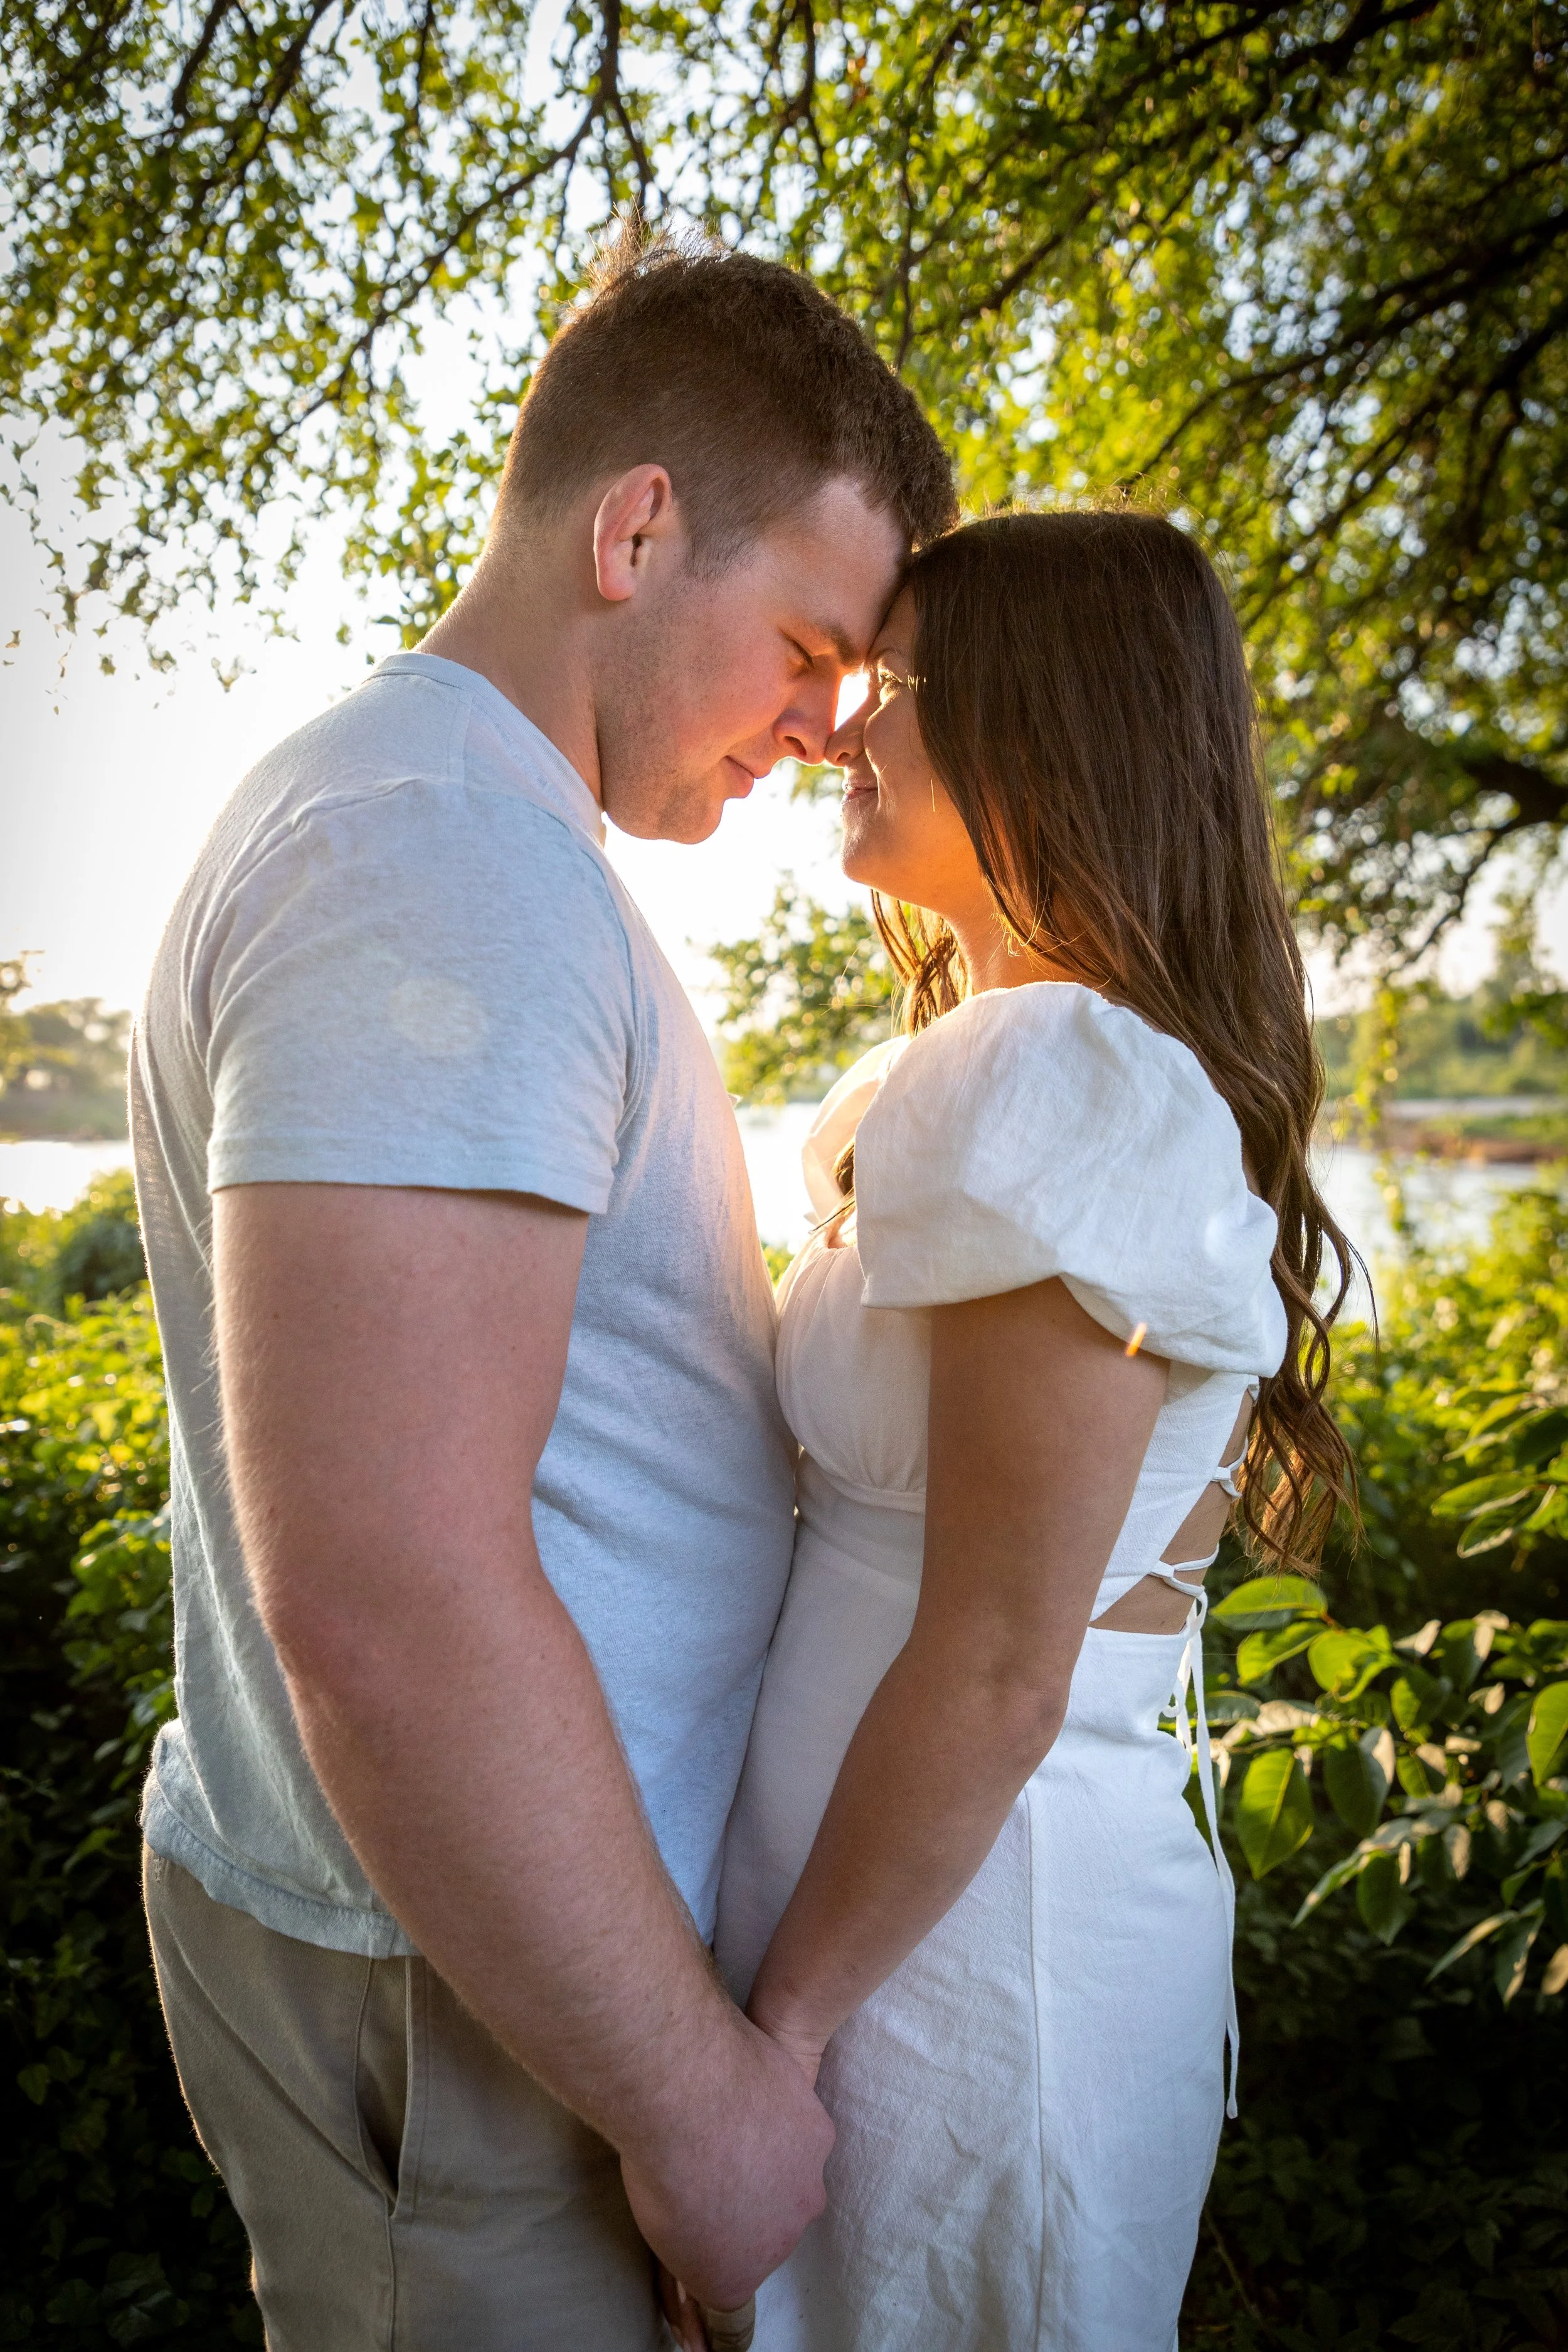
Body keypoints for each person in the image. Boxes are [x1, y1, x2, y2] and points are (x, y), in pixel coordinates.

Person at [131, 224, 956, 2348]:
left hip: (490, 1984)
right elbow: (389, 1595)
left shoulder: (454, 832)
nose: (816, 727)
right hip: (494, 2023)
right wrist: (692, 2100)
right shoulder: (442, 859)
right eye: (803, 645)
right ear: (639, 525)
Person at [714, 509, 1358, 2349]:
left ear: (1043, 721)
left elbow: (1000, 1660)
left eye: (892, 682)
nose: (838, 725)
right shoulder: (1023, 1062)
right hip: (905, 1919)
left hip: (962, 1961)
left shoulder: (1052, 1072)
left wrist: (774, 2039)